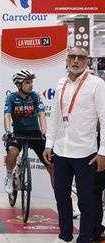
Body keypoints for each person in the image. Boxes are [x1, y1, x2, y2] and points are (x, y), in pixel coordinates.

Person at [43, 47, 105, 243]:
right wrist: (49, 144)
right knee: (61, 196)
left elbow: (104, 119)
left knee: (86, 200)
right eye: (72, 57)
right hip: (61, 150)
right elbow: (54, 117)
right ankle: (65, 236)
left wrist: (103, 151)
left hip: (85, 151)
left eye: (81, 57)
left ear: (87, 61)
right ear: (67, 59)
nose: (76, 60)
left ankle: (85, 238)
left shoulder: (96, 84)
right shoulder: (61, 83)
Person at [2, 69, 52, 195]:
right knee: (12, 152)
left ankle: (60, 199)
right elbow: (7, 115)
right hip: (18, 133)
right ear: (19, 85)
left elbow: (41, 114)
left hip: (35, 133)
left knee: (52, 166)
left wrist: (44, 132)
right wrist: (8, 131)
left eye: (31, 82)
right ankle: (9, 176)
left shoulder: (35, 96)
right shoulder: (11, 97)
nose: (31, 85)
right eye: (27, 82)